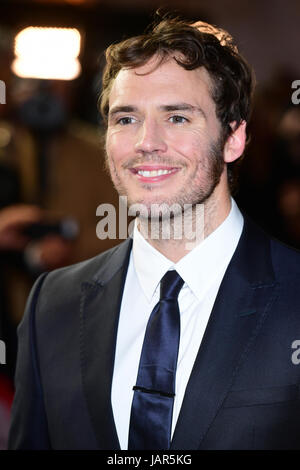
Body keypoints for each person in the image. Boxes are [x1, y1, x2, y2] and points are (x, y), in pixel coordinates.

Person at [8, 16, 300, 450]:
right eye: (126, 119)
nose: (146, 142)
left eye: (178, 117)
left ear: (233, 139)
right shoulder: (53, 303)